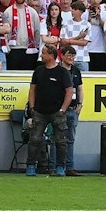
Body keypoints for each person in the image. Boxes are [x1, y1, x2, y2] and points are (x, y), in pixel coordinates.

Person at [25, 43, 73, 178]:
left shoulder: (63, 72)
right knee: (34, 139)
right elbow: (32, 89)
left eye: (44, 53)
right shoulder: (38, 71)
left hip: (57, 112)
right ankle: (30, 166)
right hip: (39, 111)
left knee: (61, 141)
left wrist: (63, 109)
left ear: (51, 56)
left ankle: (60, 167)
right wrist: (32, 108)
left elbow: (69, 92)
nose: (41, 55)